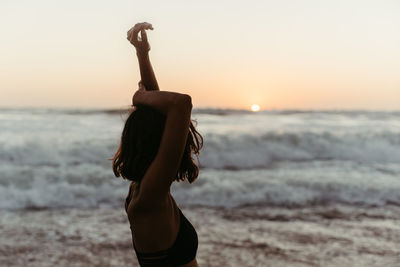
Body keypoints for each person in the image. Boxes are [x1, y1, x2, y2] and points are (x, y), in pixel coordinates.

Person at [112, 22, 203, 267]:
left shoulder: (146, 190)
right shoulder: (149, 198)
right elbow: (181, 105)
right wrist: (139, 97)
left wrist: (142, 54)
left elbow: (165, 115)